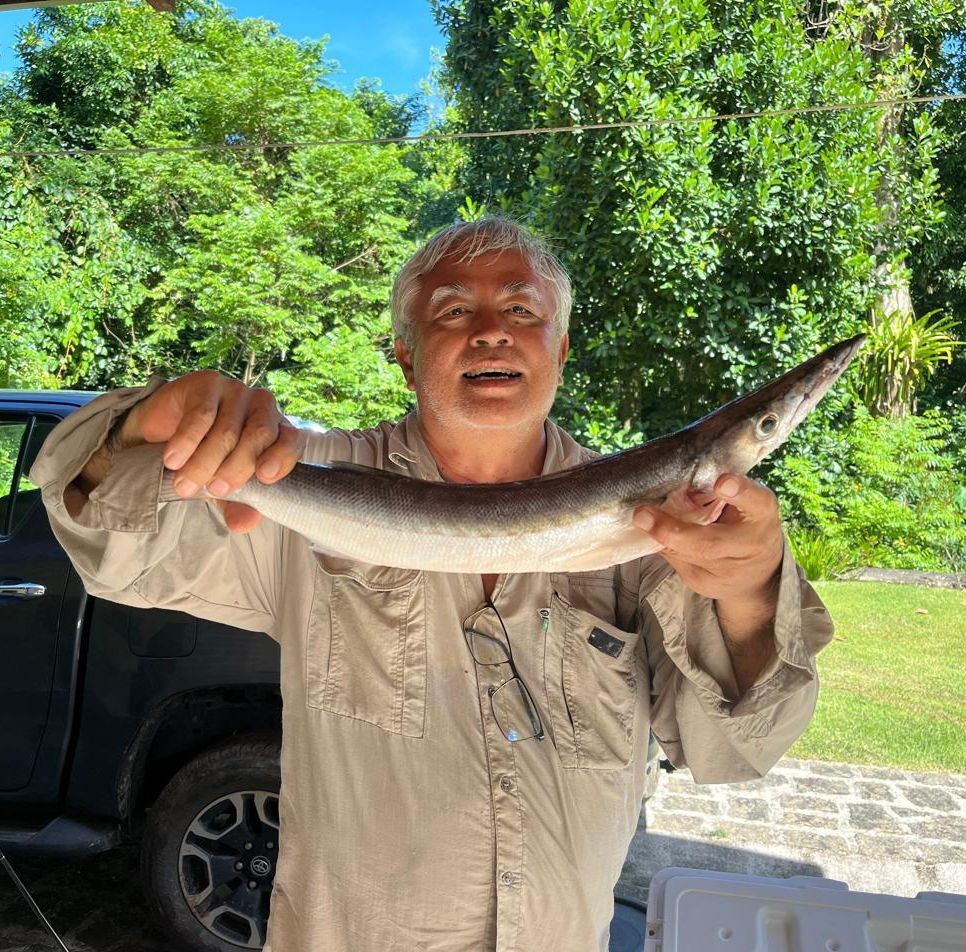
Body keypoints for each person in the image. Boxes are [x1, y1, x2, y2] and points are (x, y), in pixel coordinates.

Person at [31, 217, 834, 952]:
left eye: (524, 312)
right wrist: (137, 431)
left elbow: (735, 751)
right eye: (453, 312)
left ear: (559, 348)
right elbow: (116, 547)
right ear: (406, 352)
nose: (491, 331)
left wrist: (753, 591)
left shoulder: (670, 530)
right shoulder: (295, 475)